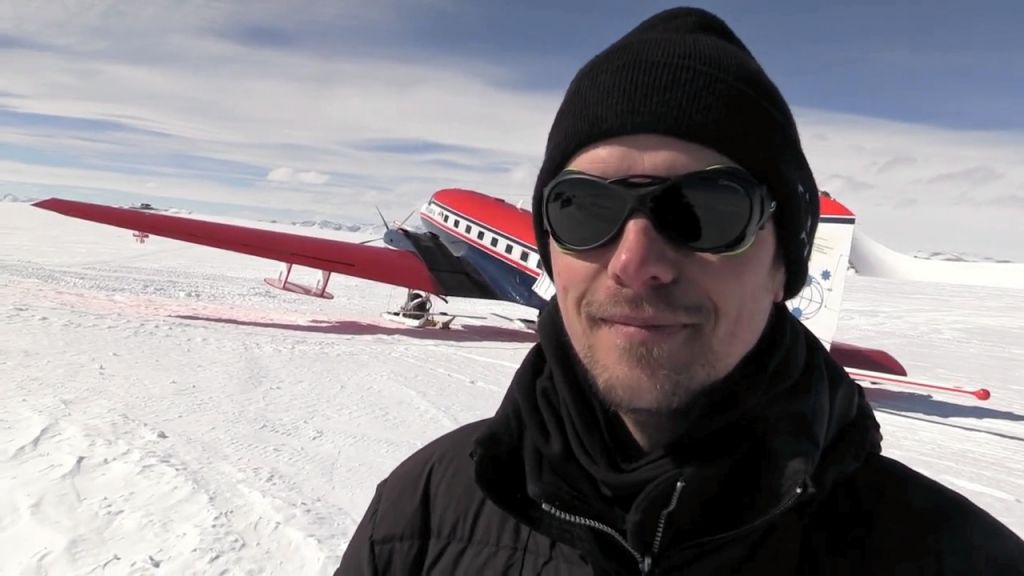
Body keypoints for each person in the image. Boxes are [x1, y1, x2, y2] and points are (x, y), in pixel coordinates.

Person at [337, 7, 1024, 574]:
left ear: (785, 265)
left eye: (707, 212)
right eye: (582, 209)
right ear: (550, 246)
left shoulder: (968, 559)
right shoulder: (417, 511)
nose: (636, 262)